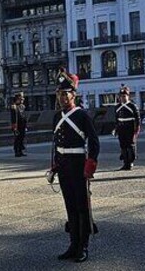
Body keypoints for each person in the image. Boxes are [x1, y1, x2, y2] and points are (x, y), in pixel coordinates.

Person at [50, 70, 100, 263]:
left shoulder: (82, 116)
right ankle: (73, 245)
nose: (62, 97)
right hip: (63, 166)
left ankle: (83, 247)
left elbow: (94, 143)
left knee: (82, 207)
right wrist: (55, 166)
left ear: (74, 94)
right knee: (69, 206)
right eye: (60, 93)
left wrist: (90, 166)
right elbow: (56, 144)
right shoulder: (57, 117)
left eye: (66, 93)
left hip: (79, 165)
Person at [114, 86, 141, 170]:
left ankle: (130, 162)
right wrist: (116, 129)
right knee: (123, 145)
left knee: (130, 145)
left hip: (130, 127)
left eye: (124, 96)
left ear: (128, 96)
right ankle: (125, 162)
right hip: (121, 127)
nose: (122, 98)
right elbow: (116, 119)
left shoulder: (133, 106)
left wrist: (137, 129)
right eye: (121, 96)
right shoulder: (117, 107)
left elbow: (138, 119)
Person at [10, 92, 28, 157]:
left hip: (22, 125)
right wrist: (14, 127)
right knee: (17, 138)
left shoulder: (22, 106)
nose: (23, 99)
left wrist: (26, 126)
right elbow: (13, 118)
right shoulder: (14, 106)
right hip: (17, 125)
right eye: (21, 98)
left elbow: (24, 116)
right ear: (18, 98)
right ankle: (16, 151)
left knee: (22, 138)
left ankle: (20, 151)